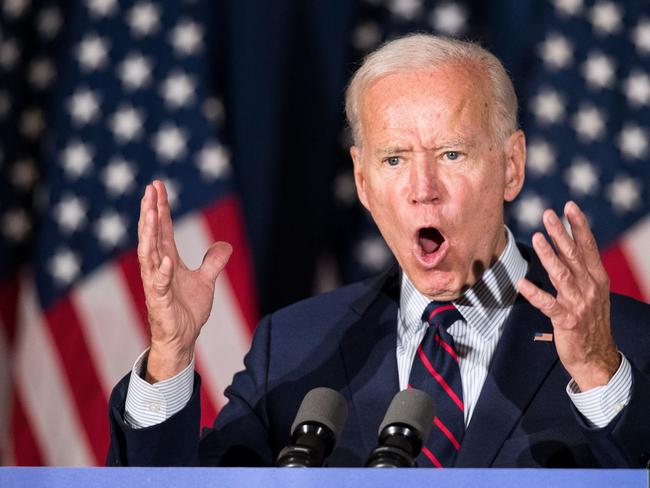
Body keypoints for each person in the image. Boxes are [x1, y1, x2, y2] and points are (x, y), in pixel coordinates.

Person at [107, 34, 650, 468]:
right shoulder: (295, 347)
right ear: (363, 183)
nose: (423, 188)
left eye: (451, 153)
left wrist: (601, 375)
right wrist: (170, 358)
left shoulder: (627, 343)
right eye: (394, 160)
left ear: (511, 165)